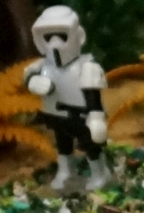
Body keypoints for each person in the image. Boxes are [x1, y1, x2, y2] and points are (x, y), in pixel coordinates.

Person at [24, 5, 110, 191]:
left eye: (62, 36)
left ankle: (99, 173)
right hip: (56, 114)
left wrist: (96, 118)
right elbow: (28, 75)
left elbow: (92, 95)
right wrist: (33, 81)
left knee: (90, 145)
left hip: (82, 116)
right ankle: (67, 170)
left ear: (78, 36)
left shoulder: (86, 67)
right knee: (62, 143)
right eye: (48, 37)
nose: (55, 43)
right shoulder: (43, 66)